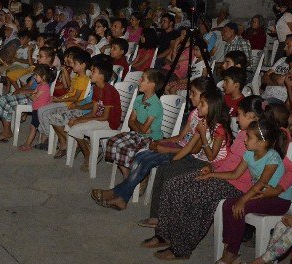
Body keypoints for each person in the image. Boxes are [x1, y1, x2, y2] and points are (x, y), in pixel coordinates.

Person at [141, 96, 266, 260]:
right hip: (220, 173)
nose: (236, 119)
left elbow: (238, 173)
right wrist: (212, 167)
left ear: (251, 116)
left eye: (240, 114)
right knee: (173, 184)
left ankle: (181, 248)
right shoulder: (244, 133)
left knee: (191, 195)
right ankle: (164, 234)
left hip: (234, 184)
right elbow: (228, 160)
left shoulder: (256, 140)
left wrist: (212, 173)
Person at [93, 78, 221, 212]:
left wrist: (163, 148)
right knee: (141, 156)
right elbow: (180, 137)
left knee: (147, 160)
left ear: (204, 96)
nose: (190, 96)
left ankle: (119, 195)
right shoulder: (195, 114)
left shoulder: (206, 121)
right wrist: (160, 141)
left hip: (187, 154)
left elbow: (193, 150)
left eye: (193, 93)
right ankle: (121, 197)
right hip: (178, 146)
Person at [209, 116, 292, 264]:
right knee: (228, 204)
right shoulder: (249, 154)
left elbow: (261, 184)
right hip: (259, 194)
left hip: (278, 199)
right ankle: (230, 243)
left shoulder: (272, 158)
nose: (245, 139)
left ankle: (231, 252)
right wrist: (212, 175)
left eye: (249, 137)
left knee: (240, 206)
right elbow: (235, 174)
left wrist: (242, 201)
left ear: (261, 142)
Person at [104, 70, 166, 177]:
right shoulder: (139, 98)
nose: (139, 80)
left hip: (152, 138)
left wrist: (138, 125)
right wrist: (140, 127)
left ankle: (141, 177)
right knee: (112, 142)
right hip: (139, 134)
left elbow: (141, 126)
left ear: (152, 85)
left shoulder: (155, 104)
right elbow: (131, 122)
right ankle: (127, 175)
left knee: (129, 151)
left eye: (143, 79)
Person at [64, 59, 122, 171]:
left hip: (109, 123)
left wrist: (80, 121)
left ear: (101, 76)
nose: (90, 73)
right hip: (98, 118)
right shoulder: (96, 88)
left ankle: (88, 155)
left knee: (76, 128)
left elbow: (105, 117)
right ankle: (86, 146)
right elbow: (94, 112)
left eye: (93, 71)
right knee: (70, 124)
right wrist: (79, 118)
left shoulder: (109, 91)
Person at [38, 49, 92, 157]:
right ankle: (63, 141)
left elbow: (76, 98)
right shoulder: (77, 77)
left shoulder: (83, 79)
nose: (72, 65)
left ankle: (52, 138)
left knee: (43, 111)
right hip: (66, 101)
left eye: (75, 63)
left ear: (83, 65)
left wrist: (59, 100)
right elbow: (68, 89)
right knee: (44, 110)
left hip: (69, 104)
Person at [17, 64, 55, 151]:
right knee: (37, 127)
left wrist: (27, 94)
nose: (34, 78)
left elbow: (34, 97)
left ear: (44, 77)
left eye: (36, 76)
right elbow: (34, 93)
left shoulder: (44, 87)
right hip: (37, 109)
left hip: (39, 111)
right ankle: (43, 142)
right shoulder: (40, 85)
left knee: (33, 128)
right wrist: (30, 94)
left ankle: (27, 144)